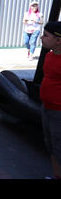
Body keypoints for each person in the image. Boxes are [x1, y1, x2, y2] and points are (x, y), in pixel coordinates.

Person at [39, 21, 61, 179]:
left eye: (46, 36)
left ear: (58, 40)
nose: (41, 37)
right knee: (52, 146)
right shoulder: (49, 55)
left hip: (59, 113)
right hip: (46, 108)